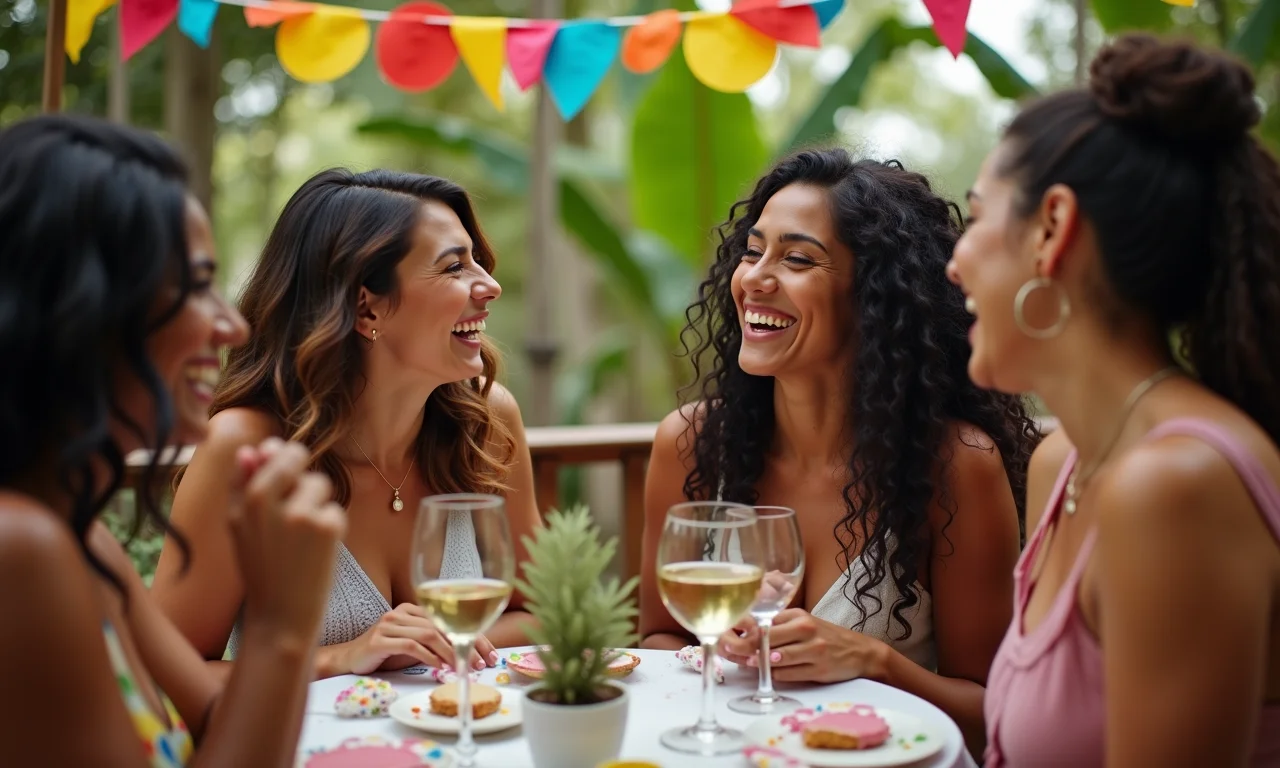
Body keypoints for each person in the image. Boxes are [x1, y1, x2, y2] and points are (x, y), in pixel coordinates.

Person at [947, 34, 1280, 766]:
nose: (954, 264)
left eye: (975, 220)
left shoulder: (1175, 487)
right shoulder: (1062, 462)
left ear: (1052, 228)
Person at [640, 147, 1040, 756]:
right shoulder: (691, 445)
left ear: (875, 295)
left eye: (797, 258)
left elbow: (993, 720)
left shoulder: (955, 464)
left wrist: (872, 661)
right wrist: (719, 650)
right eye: (752, 251)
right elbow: (657, 642)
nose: (754, 279)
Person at [0, 115, 346, 766]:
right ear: (84, 308)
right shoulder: (18, 548)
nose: (232, 327)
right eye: (196, 285)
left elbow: (217, 716)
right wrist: (280, 623)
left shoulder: (83, 538)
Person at [151, 169, 540, 680]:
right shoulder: (244, 449)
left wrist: (444, 640)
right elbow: (166, 675)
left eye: (476, 262)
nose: (490, 285)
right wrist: (343, 657)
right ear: (366, 307)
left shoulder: (488, 422)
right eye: (453, 267)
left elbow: (541, 613)